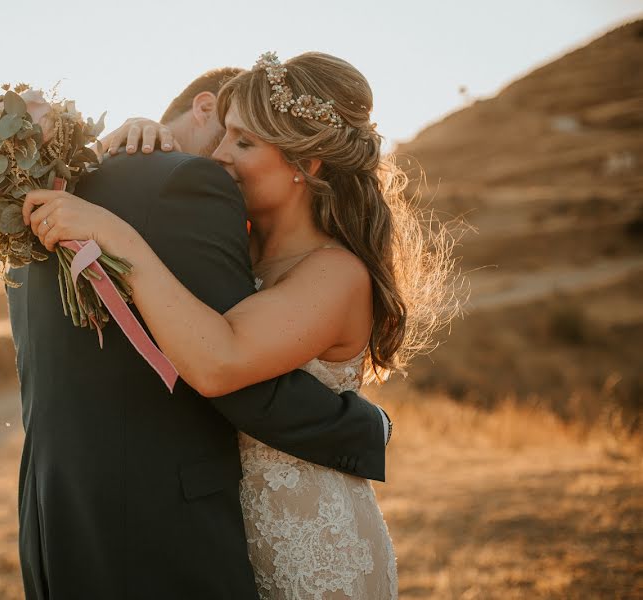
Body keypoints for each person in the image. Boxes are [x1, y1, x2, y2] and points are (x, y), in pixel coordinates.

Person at [26, 52, 459, 599]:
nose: (220, 156)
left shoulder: (335, 272)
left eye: (245, 143)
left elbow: (218, 360)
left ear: (310, 164)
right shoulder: (239, 246)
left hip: (311, 544)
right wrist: (154, 138)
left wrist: (114, 236)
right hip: (225, 535)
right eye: (224, 135)